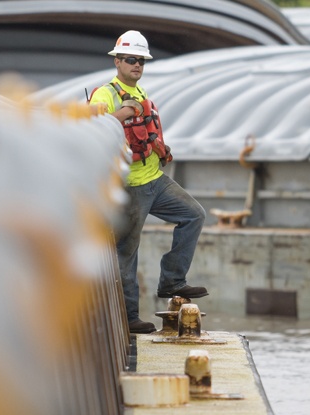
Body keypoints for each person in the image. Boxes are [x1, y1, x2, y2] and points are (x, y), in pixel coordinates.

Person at [89, 30, 208, 334]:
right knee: (127, 252)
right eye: (131, 59)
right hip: (130, 186)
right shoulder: (106, 94)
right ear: (117, 61)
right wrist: (128, 110)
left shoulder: (142, 94)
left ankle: (172, 280)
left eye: (141, 60)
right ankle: (129, 317)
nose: (137, 65)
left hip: (155, 179)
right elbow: (95, 125)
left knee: (193, 215)